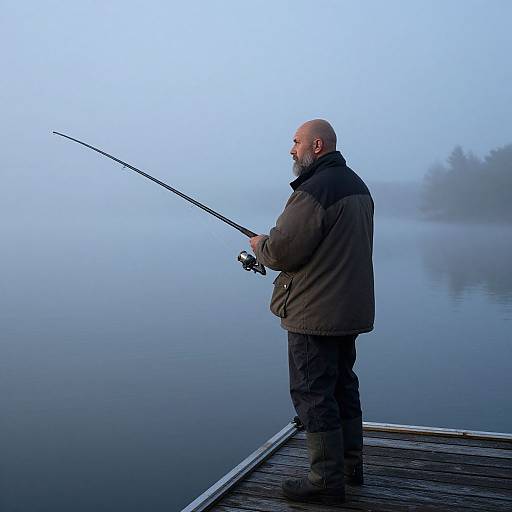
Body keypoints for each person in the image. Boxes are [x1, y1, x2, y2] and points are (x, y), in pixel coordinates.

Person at [249, 119, 374, 504]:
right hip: (348, 309)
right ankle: (350, 466)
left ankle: (325, 481)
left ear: (316, 146)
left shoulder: (313, 191)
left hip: (314, 313)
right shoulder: (358, 186)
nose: (291, 149)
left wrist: (260, 244)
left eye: (296, 142)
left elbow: (282, 251)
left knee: (313, 393)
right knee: (342, 386)